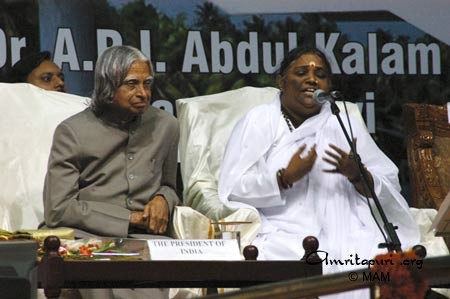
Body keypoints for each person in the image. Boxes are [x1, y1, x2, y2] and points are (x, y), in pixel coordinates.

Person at [218, 47, 420, 298]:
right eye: (301, 72)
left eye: (321, 74)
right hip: (285, 232)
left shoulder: (343, 123)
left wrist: (359, 175)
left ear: (328, 85)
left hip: (349, 229)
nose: (312, 79)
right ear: (281, 81)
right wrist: (284, 178)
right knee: (290, 260)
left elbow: (388, 182)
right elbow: (232, 189)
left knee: (378, 260)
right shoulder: (259, 121)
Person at [42, 45, 179, 298]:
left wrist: (163, 199)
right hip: (85, 236)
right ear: (107, 87)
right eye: (132, 84)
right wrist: (130, 218)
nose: (143, 93)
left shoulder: (166, 126)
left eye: (147, 84)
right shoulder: (72, 132)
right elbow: (58, 209)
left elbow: (170, 185)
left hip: (144, 239)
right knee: (100, 272)